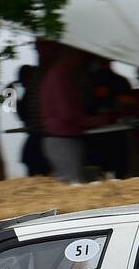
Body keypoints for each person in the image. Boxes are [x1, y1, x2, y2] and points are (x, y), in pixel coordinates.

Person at [40, 45, 100, 182]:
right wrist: (95, 121)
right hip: (62, 139)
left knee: (72, 183)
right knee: (72, 185)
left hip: (62, 138)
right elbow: (67, 114)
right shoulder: (60, 76)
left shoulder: (59, 74)